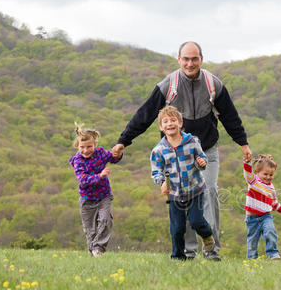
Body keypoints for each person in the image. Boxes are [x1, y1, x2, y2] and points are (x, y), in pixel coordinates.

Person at [112, 41, 251, 260]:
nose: (190, 63)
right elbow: (145, 115)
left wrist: (243, 144)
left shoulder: (213, 84)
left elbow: (230, 117)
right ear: (179, 60)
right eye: (186, 59)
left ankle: (211, 250)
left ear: (201, 60)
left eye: (194, 59)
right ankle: (189, 251)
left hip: (206, 151)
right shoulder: (168, 85)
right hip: (176, 155)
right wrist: (123, 141)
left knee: (209, 192)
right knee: (184, 198)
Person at [151, 106, 216, 261]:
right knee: (177, 227)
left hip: (195, 189)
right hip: (174, 193)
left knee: (196, 221)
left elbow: (202, 159)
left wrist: (202, 162)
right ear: (161, 127)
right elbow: (156, 171)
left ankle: (207, 236)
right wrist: (161, 182)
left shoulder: (192, 142)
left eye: (173, 120)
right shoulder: (159, 150)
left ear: (180, 123)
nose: (170, 124)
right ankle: (178, 257)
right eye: (165, 122)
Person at [69, 123, 122, 257]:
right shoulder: (78, 161)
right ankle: (92, 253)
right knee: (90, 230)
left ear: (95, 145)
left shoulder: (101, 153)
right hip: (87, 199)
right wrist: (100, 176)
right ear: (77, 146)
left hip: (104, 196)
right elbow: (83, 179)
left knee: (106, 220)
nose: (86, 150)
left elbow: (113, 158)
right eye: (82, 147)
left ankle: (98, 248)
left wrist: (118, 153)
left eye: (89, 147)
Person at [243, 154, 281, 260]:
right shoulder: (254, 181)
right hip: (252, 218)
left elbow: (273, 200)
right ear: (257, 171)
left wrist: (279, 208)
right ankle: (252, 259)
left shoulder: (271, 187)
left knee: (271, 231)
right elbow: (248, 174)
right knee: (252, 239)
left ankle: (273, 254)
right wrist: (247, 163)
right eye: (265, 174)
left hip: (266, 216)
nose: (268, 177)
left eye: (271, 175)